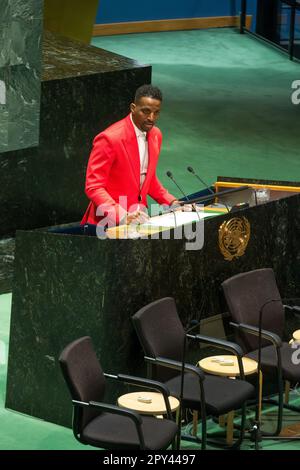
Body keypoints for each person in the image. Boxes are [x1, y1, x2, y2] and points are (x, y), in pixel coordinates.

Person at [81, 84, 179, 231]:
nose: (151, 118)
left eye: (156, 112)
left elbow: (148, 179)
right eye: (146, 111)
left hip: (140, 222)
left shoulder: (156, 135)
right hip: (106, 225)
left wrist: (173, 203)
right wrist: (122, 216)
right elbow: (94, 187)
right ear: (133, 108)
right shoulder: (110, 139)